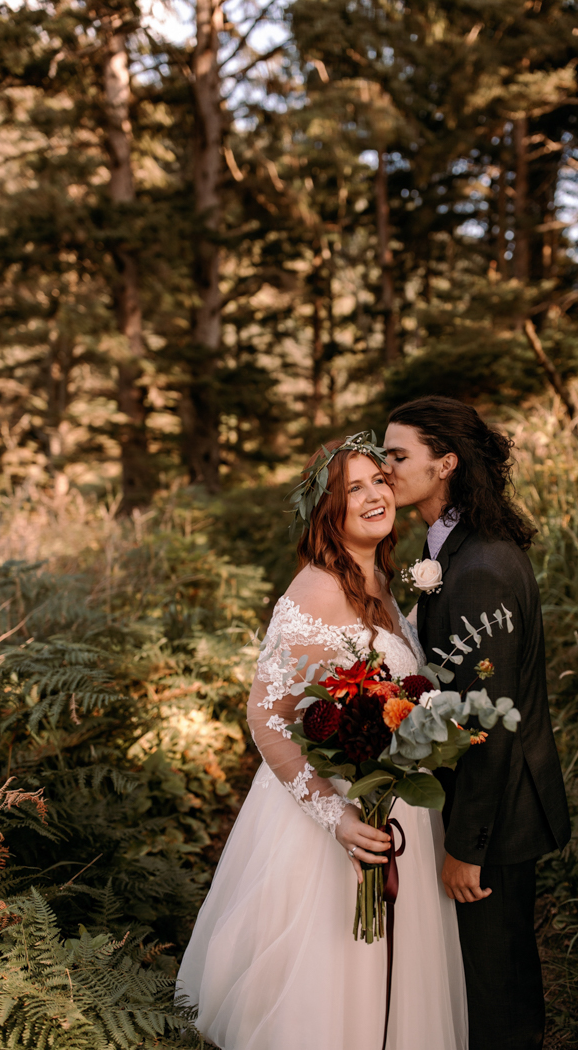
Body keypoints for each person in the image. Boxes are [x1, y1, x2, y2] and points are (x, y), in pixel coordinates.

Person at [176, 432, 467, 1050]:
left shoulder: (381, 583)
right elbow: (266, 715)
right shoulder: (315, 590)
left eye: (378, 481)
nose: (372, 496)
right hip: (333, 823)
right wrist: (335, 816)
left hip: (393, 804)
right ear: (327, 511)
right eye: (351, 489)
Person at [384, 396, 571, 1050]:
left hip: (496, 819)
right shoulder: (457, 555)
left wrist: (468, 846)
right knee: (484, 984)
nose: (385, 467)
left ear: (445, 464)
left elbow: (490, 721)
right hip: (483, 812)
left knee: (497, 998)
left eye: (397, 455)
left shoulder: (483, 569)